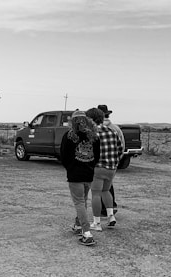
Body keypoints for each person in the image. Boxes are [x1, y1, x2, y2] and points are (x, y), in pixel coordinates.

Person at [60, 110, 101, 246]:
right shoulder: (94, 136)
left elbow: (64, 156)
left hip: (74, 174)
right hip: (88, 173)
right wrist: (89, 165)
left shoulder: (68, 136)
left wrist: (70, 167)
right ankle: (78, 225)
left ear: (72, 122)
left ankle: (87, 233)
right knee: (82, 201)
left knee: (79, 202)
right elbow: (97, 156)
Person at [86, 108, 123, 231]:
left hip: (98, 167)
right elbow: (120, 149)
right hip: (111, 168)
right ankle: (111, 216)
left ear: (91, 119)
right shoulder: (112, 131)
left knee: (95, 194)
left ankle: (96, 223)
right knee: (106, 191)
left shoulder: (92, 134)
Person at [97, 104, 123, 216]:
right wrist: (116, 160)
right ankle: (111, 208)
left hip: (99, 164)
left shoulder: (95, 130)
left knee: (97, 190)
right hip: (112, 164)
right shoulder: (116, 129)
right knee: (108, 187)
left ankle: (101, 211)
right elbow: (121, 147)